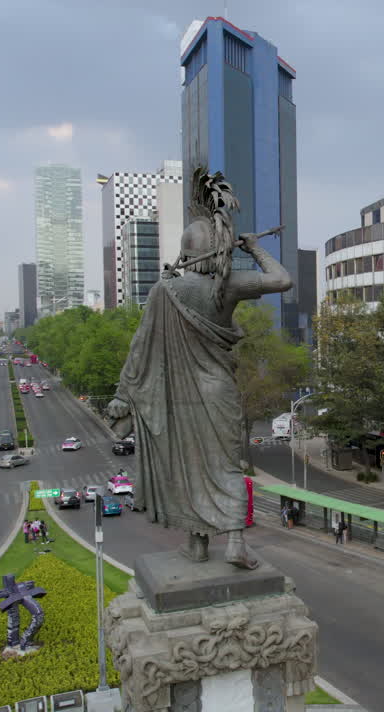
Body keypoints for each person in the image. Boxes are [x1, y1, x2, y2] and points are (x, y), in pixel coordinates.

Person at [105, 168, 291, 571]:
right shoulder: (229, 285)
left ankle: (199, 544)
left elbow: (140, 349)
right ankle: (233, 543)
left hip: (181, 397)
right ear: (222, 249)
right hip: (218, 389)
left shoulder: (164, 290)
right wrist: (256, 248)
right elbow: (282, 280)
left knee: (187, 466)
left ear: (186, 252)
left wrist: (124, 395)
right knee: (225, 466)